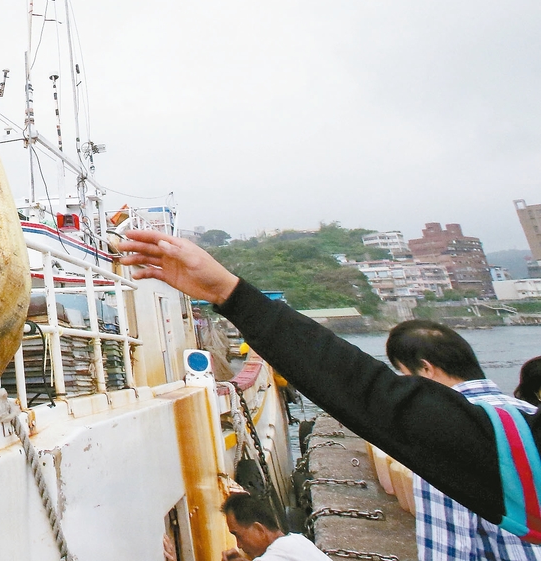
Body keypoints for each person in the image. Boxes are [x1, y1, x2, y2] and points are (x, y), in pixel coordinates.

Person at [116, 230, 541, 544]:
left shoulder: (514, 453)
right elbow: (372, 393)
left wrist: (229, 293)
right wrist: (226, 291)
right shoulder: (514, 442)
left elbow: (368, 392)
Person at [385, 320, 541, 561]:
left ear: (426, 369)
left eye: (406, 375)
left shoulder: (440, 433)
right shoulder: (529, 412)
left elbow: (448, 550)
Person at [222, 493, 330, 560]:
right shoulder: (298, 540)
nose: (239, 545)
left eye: (239, 536)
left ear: (258, 529)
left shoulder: (279, 552)